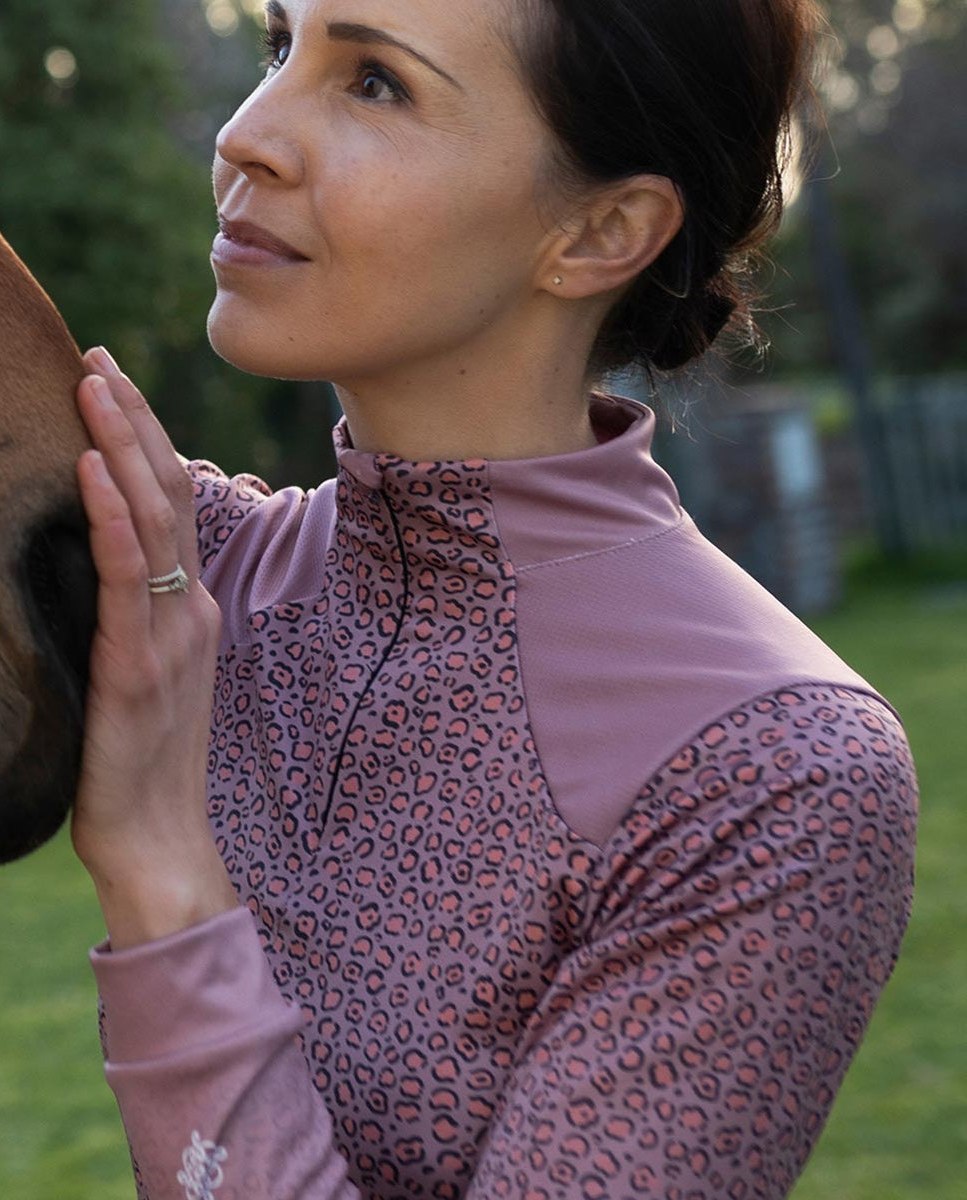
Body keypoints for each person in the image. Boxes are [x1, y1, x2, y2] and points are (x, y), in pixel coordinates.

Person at [68, 1, 918, 1196]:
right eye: (278, 46)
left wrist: (161, 872)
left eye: (374, 84)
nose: (246, 133)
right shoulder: (178, 565)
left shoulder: (772, 772)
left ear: (600, 231)